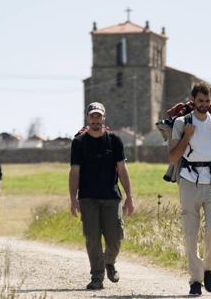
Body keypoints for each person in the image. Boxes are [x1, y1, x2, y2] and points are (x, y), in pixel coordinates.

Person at [169, 82, 211, 296]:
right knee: (191, 234)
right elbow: (173, 157)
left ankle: (208, 269)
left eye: (207, 101)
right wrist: (186, 136)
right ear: (193, 100)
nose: (203, 105)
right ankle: (195, 280)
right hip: (187, 181)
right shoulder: (181, 122)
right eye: (200, 101)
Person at [69, 102, 135, 290]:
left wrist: (129, 196)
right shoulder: (79, 143)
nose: (95, 119)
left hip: (111, 197)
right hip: (87, 197)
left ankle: (109, 262)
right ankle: (97, 276)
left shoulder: (114, 140)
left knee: (115, 238)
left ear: (104, 117)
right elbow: (74, 172)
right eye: (92, 116)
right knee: (92, 238)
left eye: (99, 116)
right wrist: (73, 199)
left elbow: (122, 169)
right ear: (87, 118)